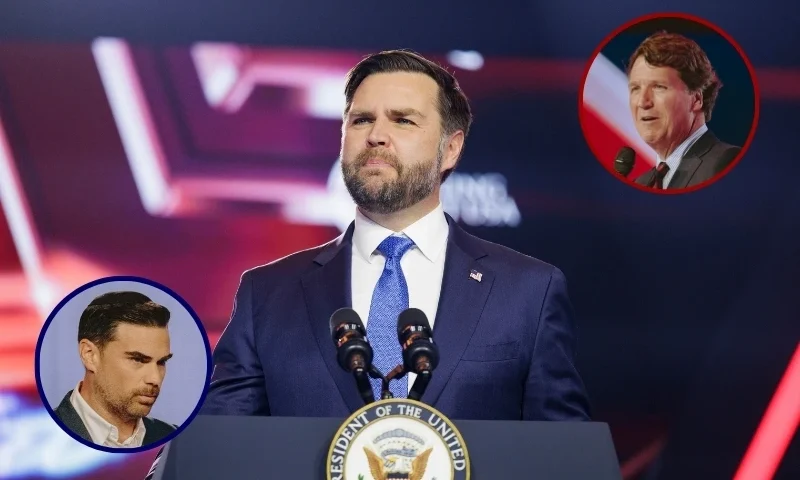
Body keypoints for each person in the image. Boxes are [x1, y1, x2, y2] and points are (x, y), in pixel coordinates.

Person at [200, 50, 591, 421]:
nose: (376, 136)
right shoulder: (266, 294)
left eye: (403, 120)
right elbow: (213, 450)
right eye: (361, 120)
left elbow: (564, 453)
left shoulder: (528, 292)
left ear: (451, 150)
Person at [53, 291, 176, 448]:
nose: (155, 379)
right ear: (89, 355)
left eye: (161, 362)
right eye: (137, 359)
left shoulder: (173, 438)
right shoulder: (41, 442)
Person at [628, 31, 741, 189]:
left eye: (659, 87)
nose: (642, 102)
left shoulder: (725, 163)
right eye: (635, 88)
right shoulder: (641, 184)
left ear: (696, 99)